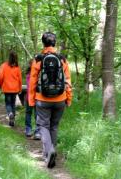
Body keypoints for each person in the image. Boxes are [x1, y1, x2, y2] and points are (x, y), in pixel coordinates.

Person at [28, 32, 72, 168]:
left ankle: (49, 151)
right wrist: (68, 98)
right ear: (55, 43)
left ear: (43, 43)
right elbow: (68, 81)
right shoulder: (62, 59)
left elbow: (33, 82)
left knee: (42, 126)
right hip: (60, 99)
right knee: (54, 126)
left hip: (42, 99)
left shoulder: (38, 59)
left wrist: (31, 100)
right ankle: (51, 152)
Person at [0, 51, 22, 127]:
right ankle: (13, 120)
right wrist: (20, 88)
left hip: (7, 88)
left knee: (8, 103)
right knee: (13, 104)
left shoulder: (3, 65)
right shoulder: (17, 67)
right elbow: (20, 79)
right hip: (15, 89)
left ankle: (10, 113)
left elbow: (0, 76)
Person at [25, 59, 41, 139]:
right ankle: (35, 131)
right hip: (34, 97)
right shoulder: (35, 74)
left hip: (31, 97)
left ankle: (30, 130)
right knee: (35, 114)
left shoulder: (29, 74)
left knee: (30, 113)